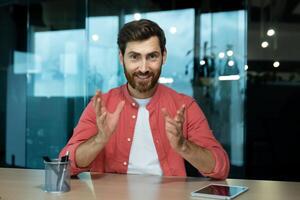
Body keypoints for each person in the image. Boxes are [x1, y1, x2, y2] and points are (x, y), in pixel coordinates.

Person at [60, 19, 229, 179]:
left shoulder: (184, 106)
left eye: (152, 56)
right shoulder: (101, 106)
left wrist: (183, 145)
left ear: (164, 56)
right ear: (121, 58)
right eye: (134, 56)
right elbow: (65, 165)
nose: (143, 68)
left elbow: (221, 168)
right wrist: (100, 139)